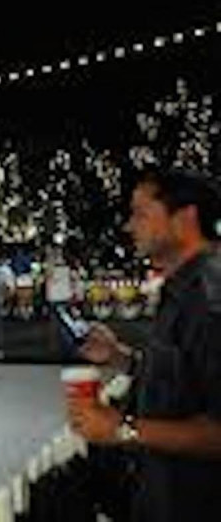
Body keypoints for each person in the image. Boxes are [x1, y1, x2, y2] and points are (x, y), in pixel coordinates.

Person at [68, 169, 221, 522]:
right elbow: (187, 379)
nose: (128, 225)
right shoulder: (180, 289)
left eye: (140, 213)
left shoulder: (210, 298)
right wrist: (120, 357)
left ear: (185, 218)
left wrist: (122, 428)